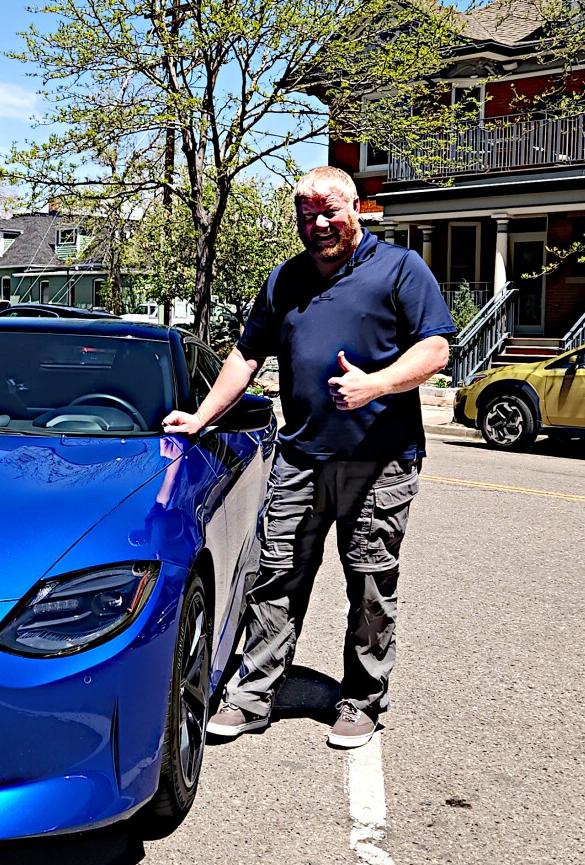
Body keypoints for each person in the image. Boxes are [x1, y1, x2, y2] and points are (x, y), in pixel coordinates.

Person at [163, 166, 453, 748]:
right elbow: (246, 355)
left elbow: (436, 348)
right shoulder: (285, 279)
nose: (318, 224)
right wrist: (202, 416)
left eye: (329, 211)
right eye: (306, 214)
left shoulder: (399, 268)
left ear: (355, 209)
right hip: (300, 459)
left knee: (369, 584)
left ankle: (363, 700)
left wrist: (376, 384)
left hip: (378, 461)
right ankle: (252, 695)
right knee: (276, 578)